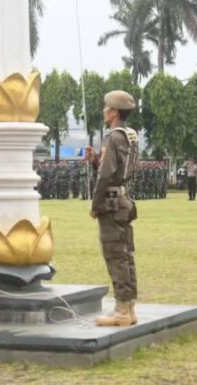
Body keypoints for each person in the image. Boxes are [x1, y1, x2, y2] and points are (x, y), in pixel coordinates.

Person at [87, 90, 140, 327]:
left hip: (110, 203)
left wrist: (95, 204)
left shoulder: (113, 137)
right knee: (125, 255)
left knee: (115, 256)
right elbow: (118, 169)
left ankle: (121, 309)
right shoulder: (130, 136)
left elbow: (106, 175)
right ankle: (129, 306)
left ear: (115, 112)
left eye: (107, 107)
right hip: (124, 199)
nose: (104, 111)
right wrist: (96, 161)